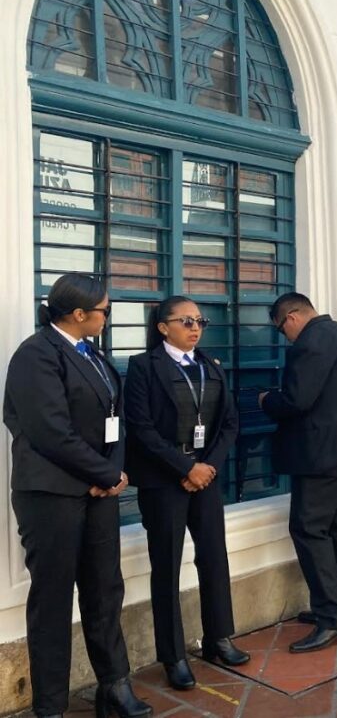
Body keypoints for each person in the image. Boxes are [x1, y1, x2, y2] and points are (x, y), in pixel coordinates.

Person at [3, 273, 151, 718]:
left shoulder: (94, 355)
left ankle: (114, 686)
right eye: (105, 310)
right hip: (52, 496)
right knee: (52, 599)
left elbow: (115, 421)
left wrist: (113, 473)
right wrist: (102, 473)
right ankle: (50, 706)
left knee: (105, 589)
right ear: (79, 313)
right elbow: (49, 431)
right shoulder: (35, 355)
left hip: (99, 492)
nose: (109, 317)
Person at [124, 297, 249, 691]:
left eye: (200, 321)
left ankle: (218, 638)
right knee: (167, 567)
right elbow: (141, 429)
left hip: (205, 478)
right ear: (163, 327)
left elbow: (229, 423)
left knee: (213, 557)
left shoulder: (211, 365)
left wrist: (206, 467)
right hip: (164, 481)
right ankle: (173, 655)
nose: (195, 328)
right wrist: (184, 468)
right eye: (186, 321)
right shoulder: (144, 367)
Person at [259, 293, 337, 652]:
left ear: (292, 317)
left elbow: (297, 399)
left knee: (308, 528)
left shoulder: (311, 342)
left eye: (282, 330)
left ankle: (331, 615)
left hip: (320, 454)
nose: (285, 337)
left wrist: (266, 400)